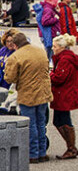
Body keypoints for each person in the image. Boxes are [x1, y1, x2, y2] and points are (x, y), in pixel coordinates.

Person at [5, 32, 53, 162]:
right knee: (41, 123)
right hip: (43, 92)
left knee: (30, 124)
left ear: (15, 45)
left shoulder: (16, 56)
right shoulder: (40, 51)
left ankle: (33, 154)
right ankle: (42, 152)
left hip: (28, 94)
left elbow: (10, 78)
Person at [49, 34, 78, 160]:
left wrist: (50, 75)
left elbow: (59, 78)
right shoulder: (66, 58)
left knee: (62, 120)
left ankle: (71, 148)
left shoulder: (64, 60)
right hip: (65, 92)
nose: (53, 48)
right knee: (60, 120)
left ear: (62, 47)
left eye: (55, 46)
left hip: (64, 93)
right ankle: (71, 147)